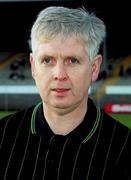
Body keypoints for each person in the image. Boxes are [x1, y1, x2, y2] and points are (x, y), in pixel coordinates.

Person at [0, 6, 131, 180]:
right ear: (33, 66)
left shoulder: (125, 147)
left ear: (94, 68)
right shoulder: (2, 136)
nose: (59, 75)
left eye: (72, 60)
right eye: (47, 60)